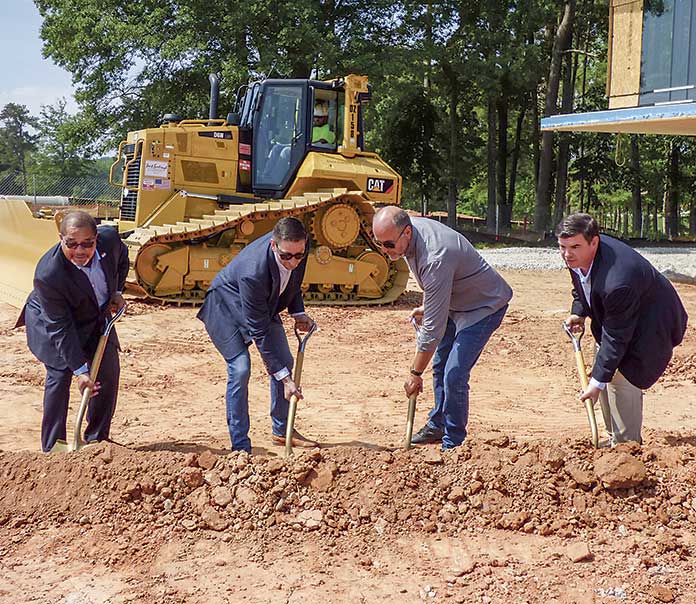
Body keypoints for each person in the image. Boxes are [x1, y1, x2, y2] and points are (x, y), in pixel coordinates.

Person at [372, 207, 512, 449]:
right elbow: (435, 283)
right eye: (379, 244)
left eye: (387, 244)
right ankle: (438, 424)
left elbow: (432, 333)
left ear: (407, 232)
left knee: (454, 374)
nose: (384, 251)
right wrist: (429, 305)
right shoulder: (408, 235)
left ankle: (453, 443)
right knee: (440, 364)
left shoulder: (435, 255)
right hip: (455, 302)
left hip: (484, 305)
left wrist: (415, 374)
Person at [557, 213, 688, 445]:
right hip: (622, 316)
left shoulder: (617, 281)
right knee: (604, 367)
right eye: (562, 246)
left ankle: (627, 448)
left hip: (651, 324)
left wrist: (595, 384)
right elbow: (582, 284)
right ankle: (612, 439)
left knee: (622, 376)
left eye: (574, 246)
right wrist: (579, 310)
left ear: (594, 242)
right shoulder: (579, 256)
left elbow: (616, 338)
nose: (567, 254)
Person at [197, 217, 318, 453]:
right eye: (286, 256)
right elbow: (259, 330)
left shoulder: (298, 248)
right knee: (240, 368)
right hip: (226, 307)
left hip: (262, 303)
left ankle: (282, 431)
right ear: (274, 245)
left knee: (284, 360)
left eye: (298, 255)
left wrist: (298, 312)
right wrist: (285, 380)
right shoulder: (253, 271)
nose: (293, 262)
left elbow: (293, 280)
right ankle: (240, 445)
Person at [16, 210, 128, 453]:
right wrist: (81, 371)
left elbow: (123, 257)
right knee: (60, 374)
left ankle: (97, 440)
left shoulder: (110, 240)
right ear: (61, 238)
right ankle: (54, 447)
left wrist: (117, 290)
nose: (80, 251)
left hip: (94, 315)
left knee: (107, 372)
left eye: (87, 244)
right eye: (72, 244)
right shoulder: (49, 274)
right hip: (53, 321)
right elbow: (60, 327)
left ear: (96, 238)